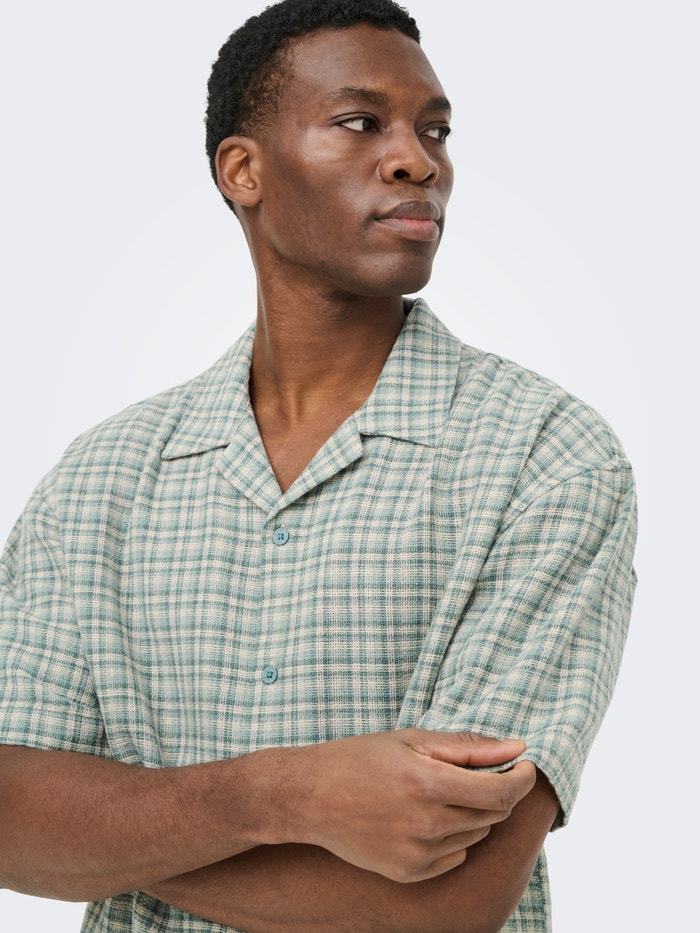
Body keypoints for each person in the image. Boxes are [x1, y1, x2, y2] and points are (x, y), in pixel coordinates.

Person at [0, 1, 637, 930]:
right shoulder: (102, 479)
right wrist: (284, 793)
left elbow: (447, 903)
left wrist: (112, 838)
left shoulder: (547, 456)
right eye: (360, 122)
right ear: (243, 170)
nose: (418, 160)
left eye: (435, 130)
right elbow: (10, 822)